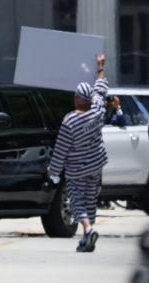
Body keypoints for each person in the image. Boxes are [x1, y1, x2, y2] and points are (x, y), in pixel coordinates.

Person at [47, 54, 109, 253]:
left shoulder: (70, 122)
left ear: (77, 98)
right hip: (95, 166)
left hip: (77, 170)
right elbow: (101, 88)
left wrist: (53, 172)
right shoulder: (98, 110)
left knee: (77, 202)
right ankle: (86, 238)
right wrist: (100, 67)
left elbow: (60, 151)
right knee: (91, 199)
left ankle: (88, 229)